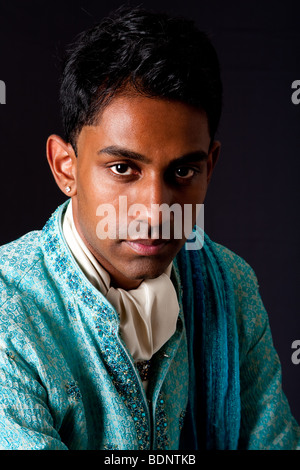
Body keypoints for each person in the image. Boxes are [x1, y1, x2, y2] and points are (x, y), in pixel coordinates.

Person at [0, 6, 299, 451]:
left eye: (182, 172)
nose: (156, 210)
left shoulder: (232, 288)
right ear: (66, 167)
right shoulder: (10, 309)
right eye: (123, 168)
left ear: (210, 167)